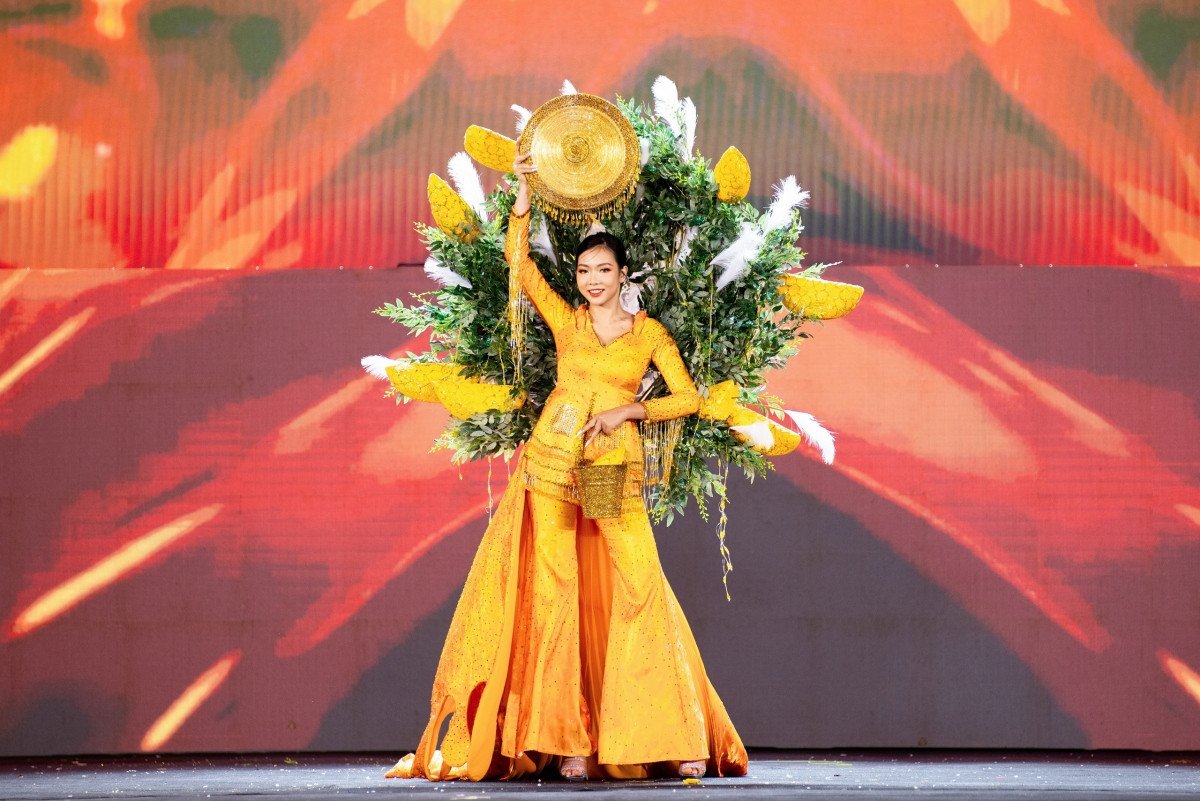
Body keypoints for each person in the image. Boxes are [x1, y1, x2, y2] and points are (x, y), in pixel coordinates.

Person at [386, 152, 748, 782]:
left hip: (610, 469)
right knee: (555, 591)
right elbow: (520, 265)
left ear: (623, 273)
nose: (592, 280)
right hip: (552, 465)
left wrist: (627, 411)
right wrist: (523, 199)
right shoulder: (567, 321)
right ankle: (566, 740)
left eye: (603, 270)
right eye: (583, 270)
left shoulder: (648, 335)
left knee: (639, 585)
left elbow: (689, 398)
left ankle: (670, 733)